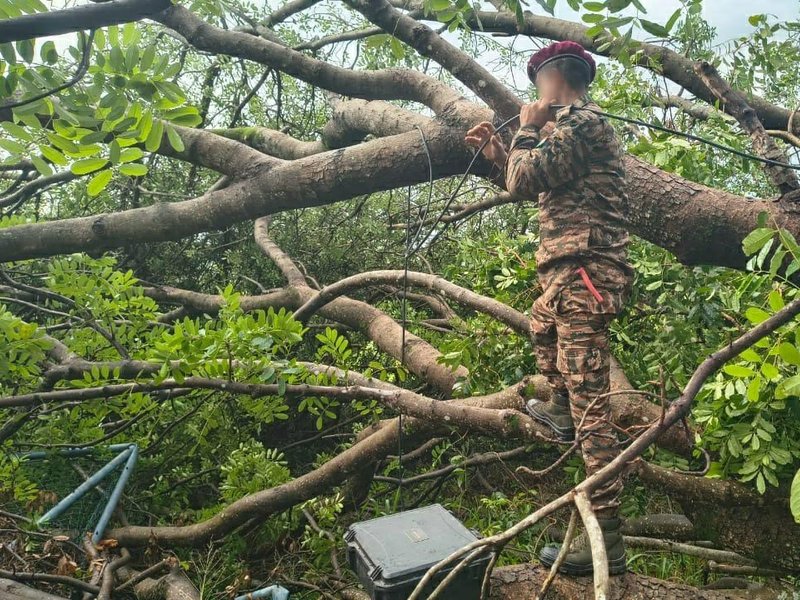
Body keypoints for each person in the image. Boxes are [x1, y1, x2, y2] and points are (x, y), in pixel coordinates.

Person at [464, 40, 634, 576]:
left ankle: (607, 536)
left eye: (537, 84)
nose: (533, 95)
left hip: (586, 275)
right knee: (542, 332)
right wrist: (501, 152)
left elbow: (526, 176)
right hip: (565, 275)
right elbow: (527, 180)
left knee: (592, 409)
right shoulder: (567, 133)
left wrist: (526, 129)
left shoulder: (583, 124)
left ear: (551, 77)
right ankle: (560, 406)